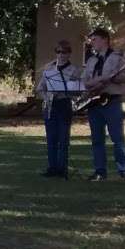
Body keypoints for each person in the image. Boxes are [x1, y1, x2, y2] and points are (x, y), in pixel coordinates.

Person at [83, 27, 125, 182]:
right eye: (91, 40)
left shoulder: (117, 57)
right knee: (97, 139)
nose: (92, 43)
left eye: (95, 39)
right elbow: (85, 81)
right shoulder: (91, 60)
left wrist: (112, 78)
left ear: (105, 39)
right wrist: (98, 80)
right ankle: (100, 171)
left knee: (117, 137)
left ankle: (124, 171)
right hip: (94, 103)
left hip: (112, 101)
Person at [35, 39, 81, 178]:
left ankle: (62, 169)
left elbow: (78, 92)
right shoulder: (49, 68)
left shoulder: (74, 71)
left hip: (64, 104)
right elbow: (39, 88)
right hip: (50, 106)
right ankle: (52, 168)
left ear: (69, 54)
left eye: (65, 52)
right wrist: (47, 96)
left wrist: (65, 90)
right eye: (59, 51)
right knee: (51, 138)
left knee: (63, 138)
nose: (61, 54)